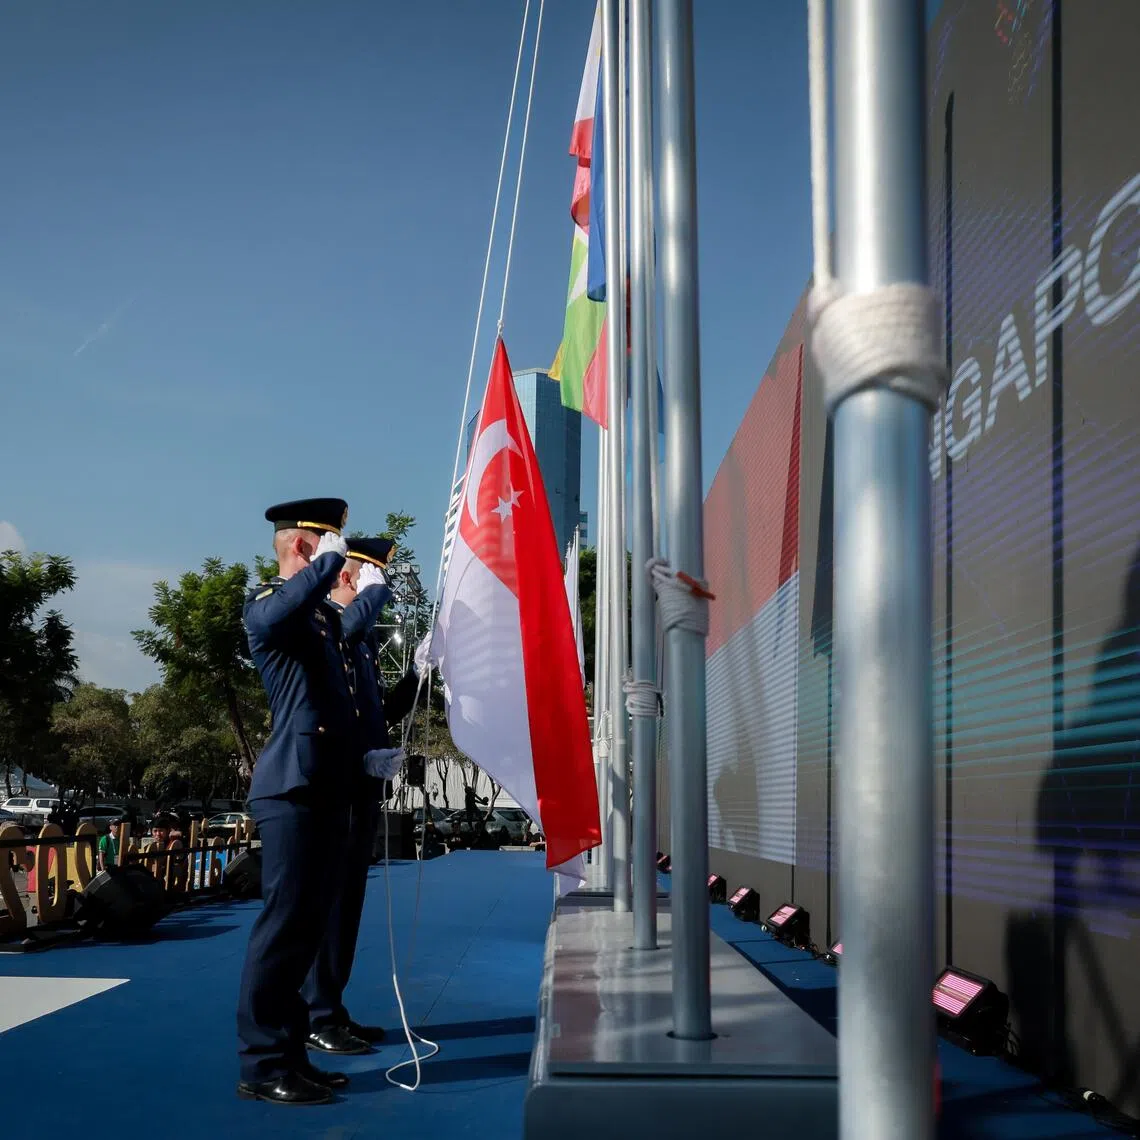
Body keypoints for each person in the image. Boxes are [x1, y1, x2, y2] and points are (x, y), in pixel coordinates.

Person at [235, 498, 403, 1107]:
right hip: (291, 790)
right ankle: (261, 1063)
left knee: (307, 930)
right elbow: (292, 607)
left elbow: (349, 629)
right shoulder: (266, 609)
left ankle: (292, 1053)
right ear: (305, 548)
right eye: (330, 543)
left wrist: (367, 756)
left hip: (330, 785)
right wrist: (327, 568)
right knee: (282, 931)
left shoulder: (322, 625)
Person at [302, 536, 428, 1056]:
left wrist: (421, 670)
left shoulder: (358, 642)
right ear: (344, 579)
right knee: (327, 905)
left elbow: (377, 712)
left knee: (347, 904)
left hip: (358, 786)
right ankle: (314, 1013)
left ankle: (331, 1007)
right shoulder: (321, 625)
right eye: (363, 578)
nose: (371, 591)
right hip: (328, 785)